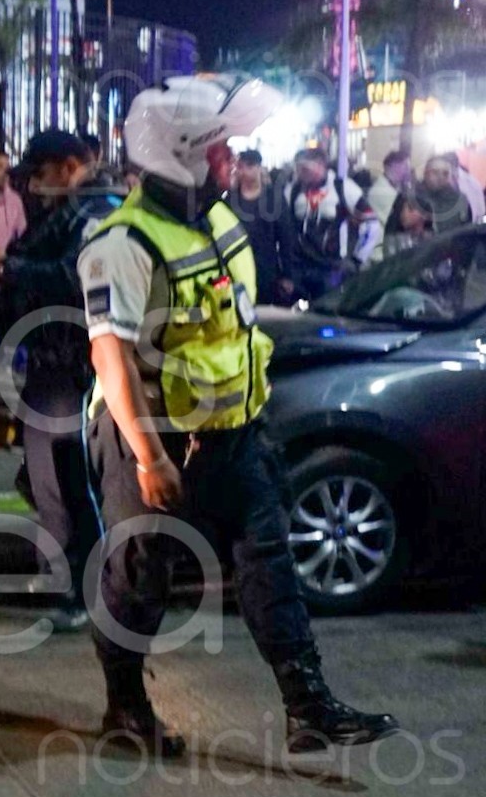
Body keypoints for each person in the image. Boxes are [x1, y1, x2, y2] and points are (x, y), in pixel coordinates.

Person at [78, 73, 398, 756]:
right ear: (184, 155)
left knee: (270, 564)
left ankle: (309, 706)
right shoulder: (122, 244)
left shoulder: (220, 220)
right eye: (222, 149)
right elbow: (113, 360)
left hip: (234, 434)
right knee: (140, 577)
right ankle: (125, 708)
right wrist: (149, 457)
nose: (237, 159)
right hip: (156, 439)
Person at [0, 130, 119, 632]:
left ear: (65, 167)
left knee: (77, 485)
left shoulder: (99, 212)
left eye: (39, 175)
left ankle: (90, 592)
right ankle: (67, 579)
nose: (35, 187)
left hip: (77, 365)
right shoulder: (70, 212)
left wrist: (7, 268)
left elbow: (71, 277)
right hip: (53, 362)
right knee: (57, 482)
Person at [280, 147, 377, 300]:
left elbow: (371, 224)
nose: (299, 173)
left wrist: (358, 259)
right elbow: (283, 228)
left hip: (332, 268)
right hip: (300, 267)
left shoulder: (343, 188)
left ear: (320, 165)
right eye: (297, 168)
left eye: (304, 168)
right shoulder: (292, 191)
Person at [228, 150, 290, 305]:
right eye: (241, 166)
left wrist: (288, 275)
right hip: (236, 268)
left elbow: (287, 238)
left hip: (266, 270)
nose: (245, 171)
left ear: (258, 168)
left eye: (250, 166)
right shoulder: (230, 199)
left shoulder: (273, 198)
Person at [416, 155, 473, 235]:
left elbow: (467, 230)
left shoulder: (460, 200)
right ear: (426, 173)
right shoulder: (414, 200)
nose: (440, 177)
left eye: (445, 173)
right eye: (435, 172)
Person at [365, 151, 409, 230]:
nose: (406, 171)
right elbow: (402, 221)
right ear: (390, 167)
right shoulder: (380, 191)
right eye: (404, 166)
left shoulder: (394, 187)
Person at [381, 193, 432, 259]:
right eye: (402, 209)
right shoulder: (393, 239)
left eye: (410, 209)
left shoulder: (432, 243)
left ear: (425, 215)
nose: (404, 214)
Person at [444, 151, 485, 222]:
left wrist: (480, 219)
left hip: (471, 218)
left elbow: (479, 201)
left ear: (456, 163)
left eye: (451, 162)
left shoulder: (469, 180)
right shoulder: (443, 180)